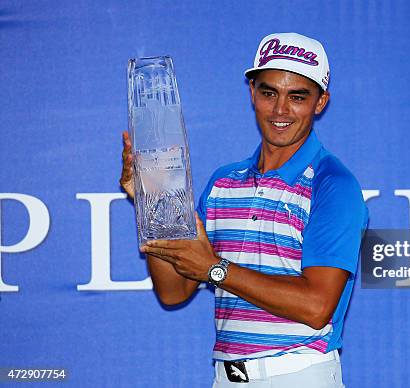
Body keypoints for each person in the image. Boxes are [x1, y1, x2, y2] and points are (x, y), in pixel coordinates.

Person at [120, 32, 368, 387]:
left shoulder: (333, 184)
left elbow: (316, 307)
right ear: (252, 92)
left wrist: (216, 270)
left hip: (297, 377)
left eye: (297, 97)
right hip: (225, 377)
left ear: (320, 102)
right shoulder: (224, 182)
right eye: (269, 93)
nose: (280, 110)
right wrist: (151, 198)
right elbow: (173, 290)